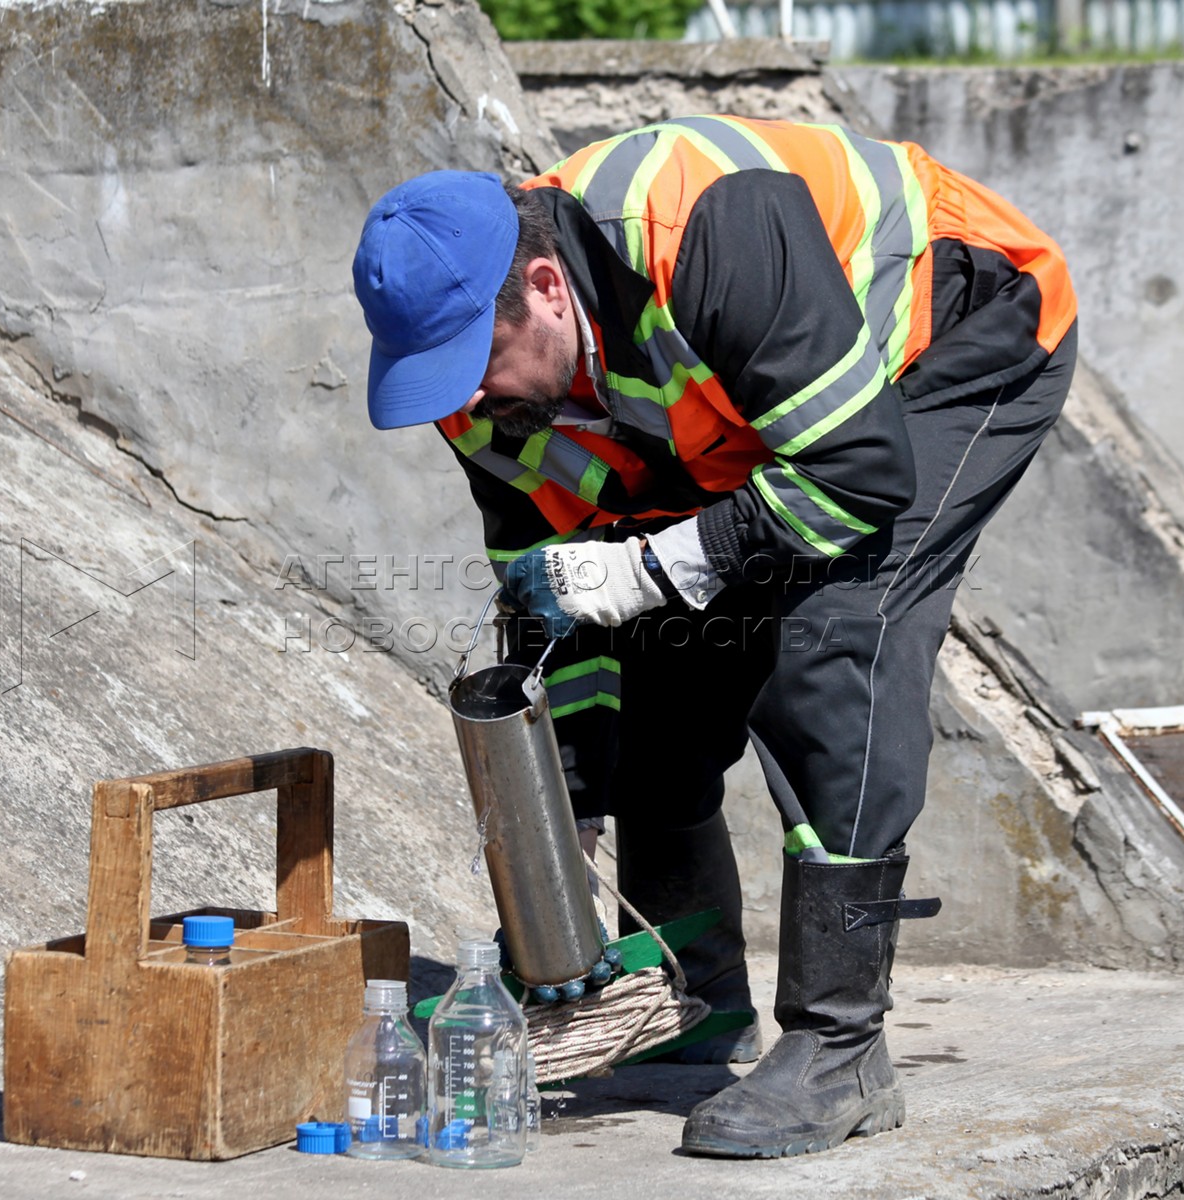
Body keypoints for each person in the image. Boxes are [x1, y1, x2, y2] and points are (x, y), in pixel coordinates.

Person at [351, 116, 1076, 1158]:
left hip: (954, 334)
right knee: (660, 661)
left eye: (475, 363)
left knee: (834, 635)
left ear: (548, 289)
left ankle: (841, 1045)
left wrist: (650, 567)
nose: (465, 401)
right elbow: (560, 602)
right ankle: (689, 992)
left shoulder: (702, 224)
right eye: (438, 375)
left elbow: (855, 477)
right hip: (751, 414)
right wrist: (569, 811)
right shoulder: (479, 391)